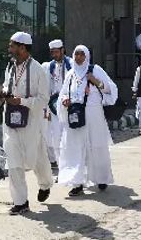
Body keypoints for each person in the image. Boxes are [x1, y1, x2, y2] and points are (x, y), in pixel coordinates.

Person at [0, 32, 53, 215]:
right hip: (10, 121)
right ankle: (21, 202)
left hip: (31, 122)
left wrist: (22, 101)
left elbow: (44, 99)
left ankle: (45, 184)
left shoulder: (38, 70)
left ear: (22, 47)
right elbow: (7, 85)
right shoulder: (10, 67)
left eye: (12, 45)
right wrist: (3, 93)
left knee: (35, 157)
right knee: (14, 160)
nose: (9, 49)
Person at [58, 45, 116, 196]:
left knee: (96, 145)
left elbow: (109, 89)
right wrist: (65, 99)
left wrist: (95, 81)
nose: (78, 57)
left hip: (93, 114)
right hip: (75, 115)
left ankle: (101, 177)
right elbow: (63, 93)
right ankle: (77, 183)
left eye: (81, 54)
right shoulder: (71, 73)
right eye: (76, 54)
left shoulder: (95, 70)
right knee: (75, 148)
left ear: (87, 56)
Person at [41, 39, 70, 168]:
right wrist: (45, 109)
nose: (54, 55)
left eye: (57, 52)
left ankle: (71, 164)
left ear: (63, 50)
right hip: (54, 107)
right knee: (55, 137)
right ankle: (60, 165)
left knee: (69, 137)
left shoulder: (72, 64)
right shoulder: (48, 66)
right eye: (52, 52)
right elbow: (45, 89)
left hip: (70, 106)